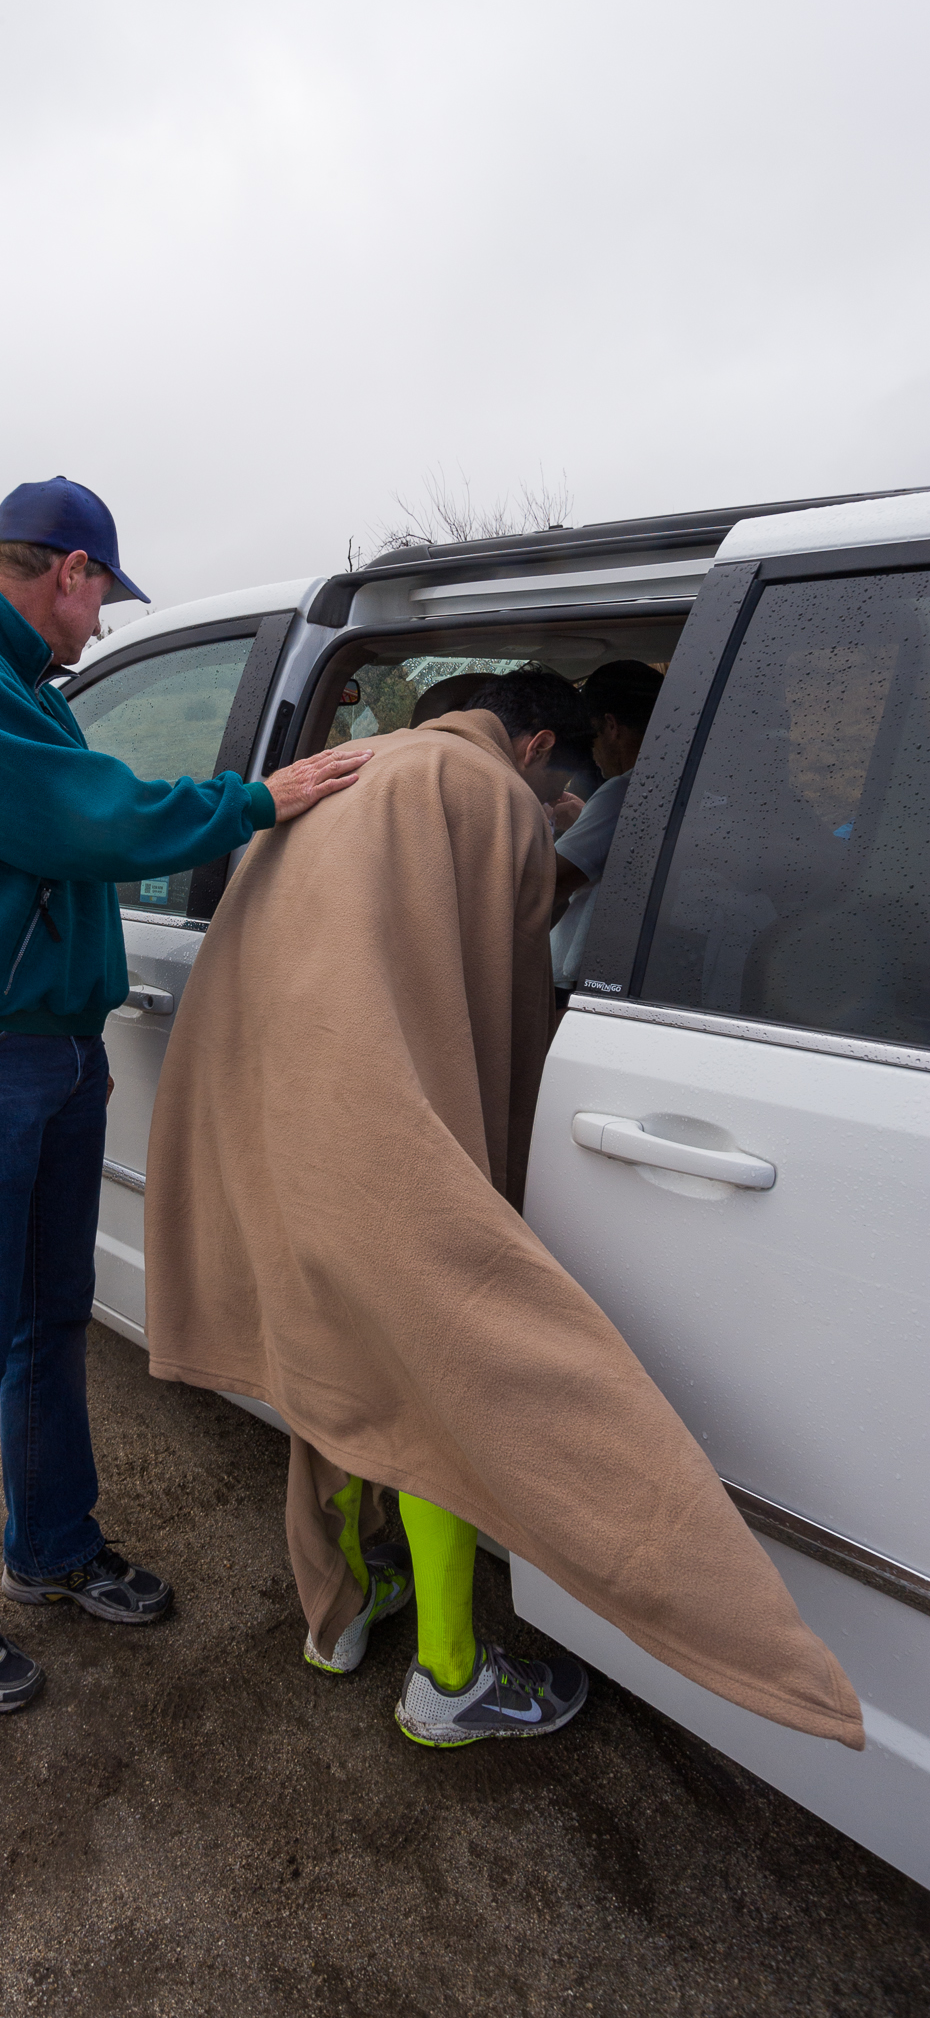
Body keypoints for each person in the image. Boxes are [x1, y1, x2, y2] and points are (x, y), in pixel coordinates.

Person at [143, 668, 864, 1755]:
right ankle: (448, 1677)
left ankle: (337, 1613)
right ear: (532, 751)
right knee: (442, 1380)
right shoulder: (475, 789)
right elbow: (507, 964)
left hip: (253, 1110)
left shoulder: (351, 765)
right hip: (378, 1131)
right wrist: (542, 838)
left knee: (336, 1361)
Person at [0, 476, 373, 1715]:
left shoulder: (22, 686)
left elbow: (62, 828)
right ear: (67, 573)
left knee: (50, 1315)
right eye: (99, 600)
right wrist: (255, 801)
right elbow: (75, 818)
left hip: (48, 1047)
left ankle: (51, 1548)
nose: (99, 629)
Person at [550, 662, 665, 1001]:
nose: (592, 750)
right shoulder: (679, 784)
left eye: (592, 735)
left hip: (592, 979)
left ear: (611, 726)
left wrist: (541, 826)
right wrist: (585, 820)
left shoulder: (625, 793)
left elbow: (546, 886)